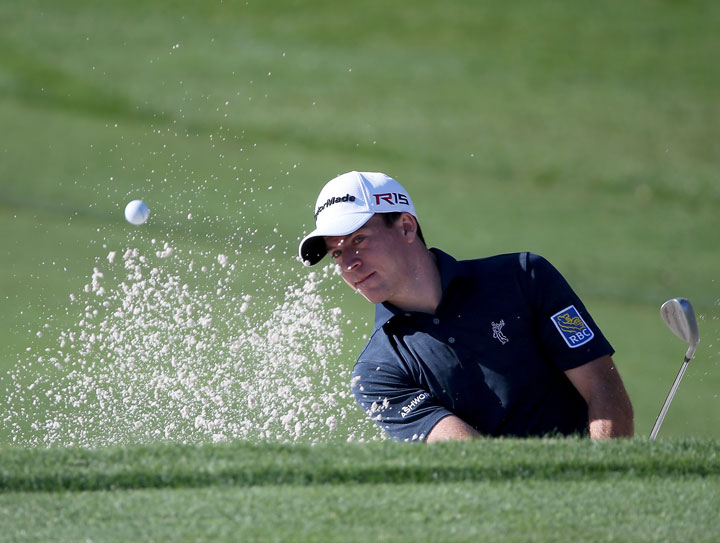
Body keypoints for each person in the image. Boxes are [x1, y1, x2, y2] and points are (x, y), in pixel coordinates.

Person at [299, 171, 634, 442]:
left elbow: (603, 388)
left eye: (359, 240)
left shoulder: (525, 277)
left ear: (405, 227)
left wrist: (601, 477)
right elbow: (473, 458)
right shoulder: (376, 373)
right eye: (337, 253)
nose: (349, 264)